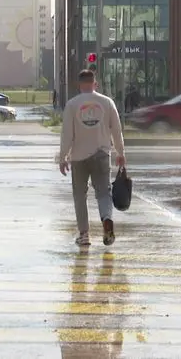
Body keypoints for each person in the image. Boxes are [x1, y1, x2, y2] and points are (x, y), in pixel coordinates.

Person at [59, 69, 126, 246]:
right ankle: (107, 220)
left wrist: (63, 157)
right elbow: (117, 130)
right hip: (102, 154)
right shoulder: (107, 102)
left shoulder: (72, 105)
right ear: (95, 84)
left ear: (79, 85)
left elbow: (67, 134)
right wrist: (120, 153)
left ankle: (84, 235)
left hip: (79, 156)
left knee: (79, 195)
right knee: (104, 193)